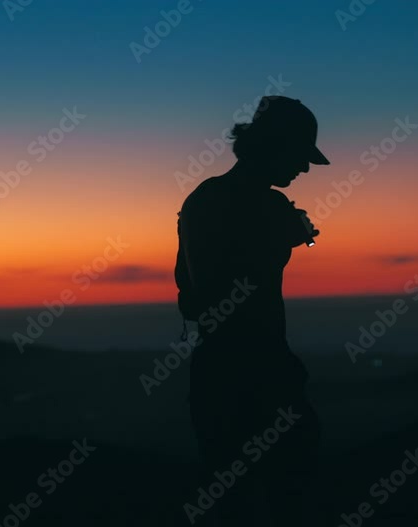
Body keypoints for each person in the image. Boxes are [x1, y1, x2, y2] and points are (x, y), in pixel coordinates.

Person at [175, 96, 328, 526]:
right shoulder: (249, 205)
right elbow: (223, 288)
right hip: (248, 374)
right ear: (273, 147)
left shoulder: (208, 199)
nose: (304, 169)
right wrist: (282, 236)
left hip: (228, 372)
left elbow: (193, 289)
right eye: (299, 156)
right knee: (283, 497)